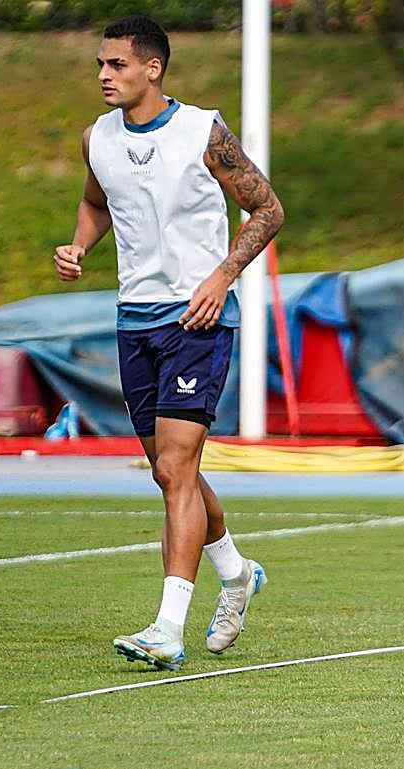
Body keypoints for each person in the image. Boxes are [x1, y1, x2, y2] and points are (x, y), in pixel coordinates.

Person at [54, 15, 284, 671]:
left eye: (117, 65)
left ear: (152, 69)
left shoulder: (202, 131)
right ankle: (237, 572)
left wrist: (221, 275)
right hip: (135, 320)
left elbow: (267, 209)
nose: (104, 75)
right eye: (101, 64)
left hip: (198, 319)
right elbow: (96, 204)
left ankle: (166, 627)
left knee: (177, 469)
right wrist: (79, 245)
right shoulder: (96, 138)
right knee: (167, 471)